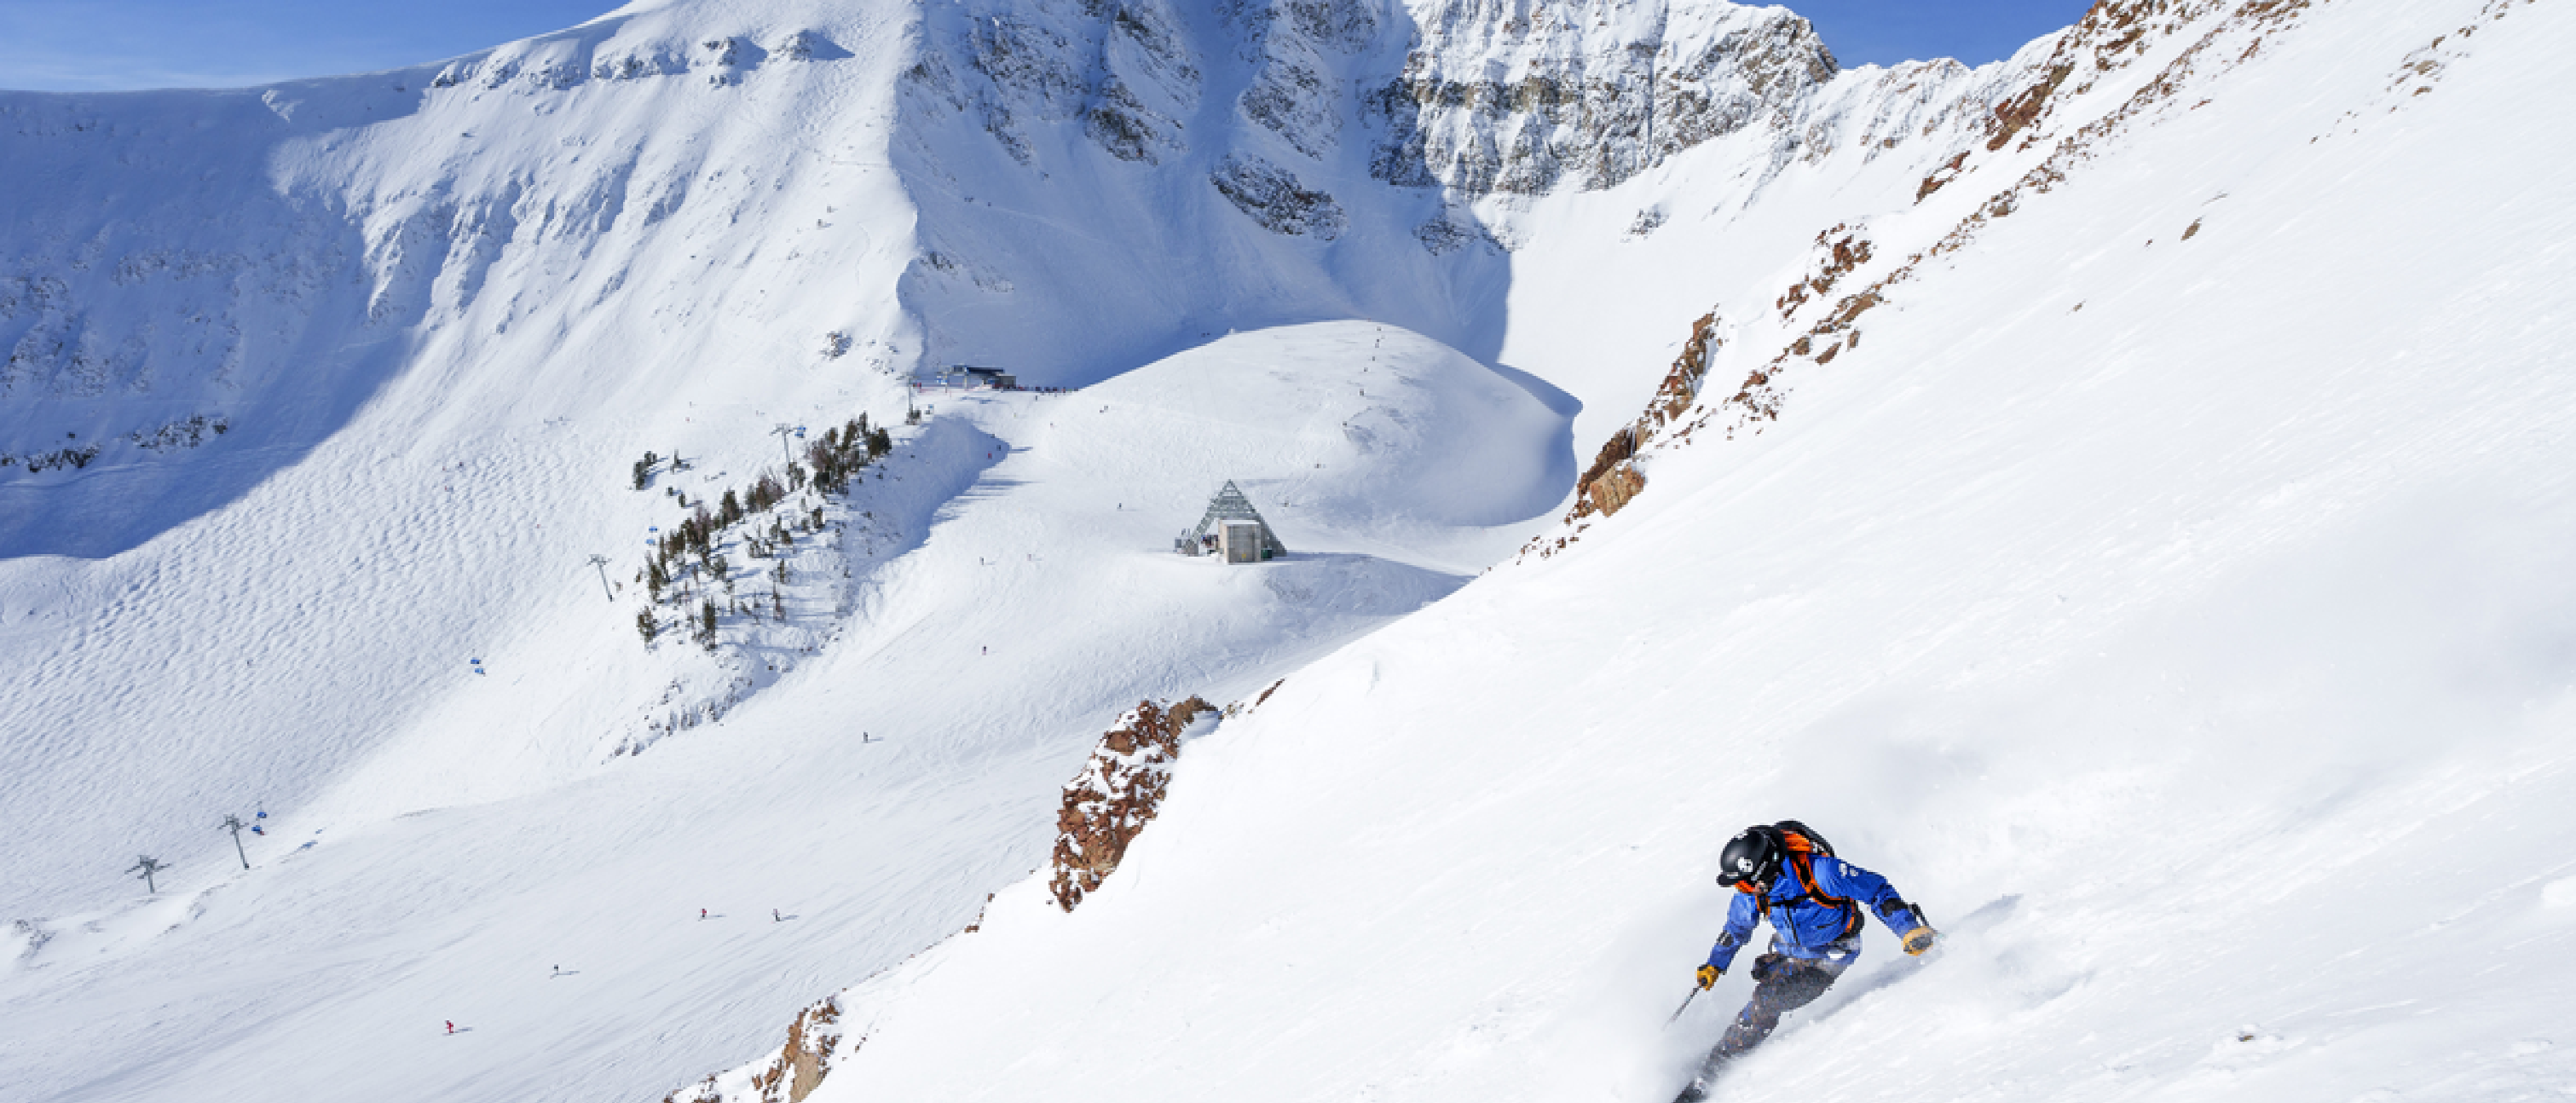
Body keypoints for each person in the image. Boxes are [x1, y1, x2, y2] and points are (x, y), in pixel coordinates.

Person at [1682, 823, 1934, 1091]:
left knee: (1767, 1001)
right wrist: (1714, 964)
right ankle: (1725, 1049)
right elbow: (1736, 929)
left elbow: (1876, 890)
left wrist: (1909, 929)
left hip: (1831, 955)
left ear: (1765, 870)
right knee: (1763, 991)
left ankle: (1719, 1067)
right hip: (1788, 950)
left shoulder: (1822, 873)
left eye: (1745, 882)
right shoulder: (1752, 893)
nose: (1741, 890)